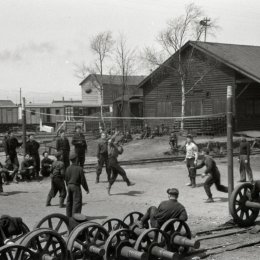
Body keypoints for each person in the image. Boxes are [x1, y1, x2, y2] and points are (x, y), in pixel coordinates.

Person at [65, 153, 89, 217]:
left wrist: (68, 186)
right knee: (77, 202)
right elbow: (83, 181)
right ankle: (75, 217)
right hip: (76, 187)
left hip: (69, 186)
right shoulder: (79, 169)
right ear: (76, 159)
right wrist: (86, 189)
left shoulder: (68, 168)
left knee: (69, 202)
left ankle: (68, 216)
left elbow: (66, 179)